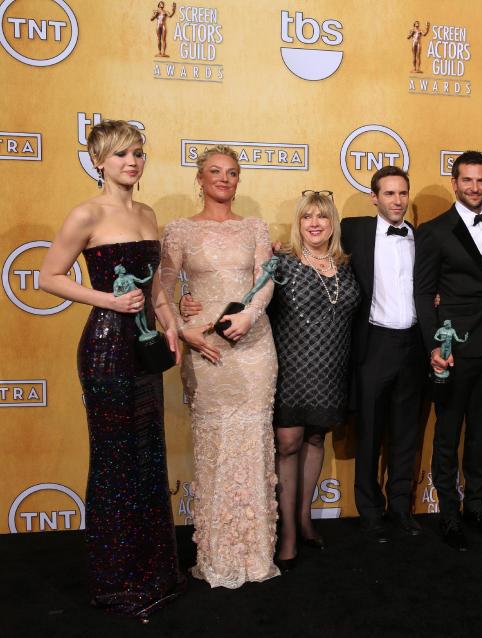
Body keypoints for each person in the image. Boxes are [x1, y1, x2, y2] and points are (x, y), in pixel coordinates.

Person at [38, 120, 184, 618]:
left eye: (138, 153)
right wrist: (107, 300)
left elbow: (157, 285)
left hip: (145, 347)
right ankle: (116, 580)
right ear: (99, 160)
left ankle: (154, 571)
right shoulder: (86, 213)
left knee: (147, 456)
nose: (132, 162)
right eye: (121, 154)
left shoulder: (147, 213)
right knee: (115, 462)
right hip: (104, 345)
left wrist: (170, 324)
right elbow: (48, 277)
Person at [158, 145, 280, 587]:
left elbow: (264, 282)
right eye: (215, 171)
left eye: (232, 172)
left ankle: (253, 554)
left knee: (252, 441)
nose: (224, 179)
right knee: (215, 445)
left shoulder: (255, 227)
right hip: (205, 348)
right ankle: (217, 557)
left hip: (254, 347)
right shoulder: (179, 231)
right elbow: (161, 290)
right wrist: (180, 327)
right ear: (200, 178)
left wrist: (249, 314)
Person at [413, 151, 482, 551]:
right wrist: (434, 347)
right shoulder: (434, 231)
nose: (474, 188)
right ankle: (449, 514)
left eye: (481, 181)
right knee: (448, 433)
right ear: (454, 183)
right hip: (454, 348)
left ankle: (477, 506)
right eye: (467, 181)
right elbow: (424, 293)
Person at [268, 190, 360, 567]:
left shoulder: (346, 264)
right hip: (291, 368)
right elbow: (248, 298)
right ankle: (287, 530)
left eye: (322, 216)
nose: (315, 223)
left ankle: (305, 519)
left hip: (331, 369)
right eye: (307, 217)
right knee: (288, 443)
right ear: (298, 223)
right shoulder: (282, 262)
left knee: (316, 437)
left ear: (332, 223)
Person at [341, 167, 425, 543]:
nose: (397, 200)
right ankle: (370, 511)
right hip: (373, 344)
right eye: (389, 193)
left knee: (406, 434)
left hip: (414, 346)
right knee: (370, 432)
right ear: (374, 198)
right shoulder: (353, 231)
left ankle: (402, 508)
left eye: (402, 193)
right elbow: (313, 240)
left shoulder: (422, 239)